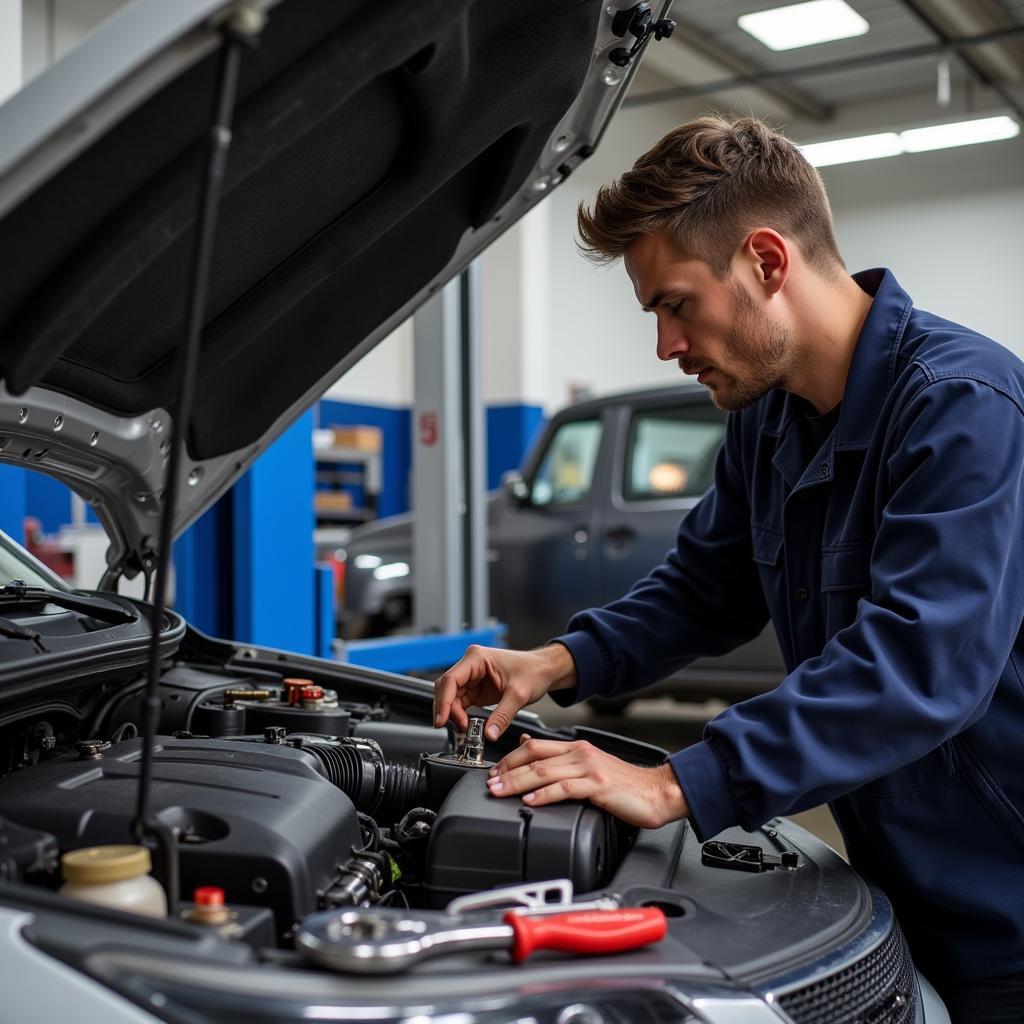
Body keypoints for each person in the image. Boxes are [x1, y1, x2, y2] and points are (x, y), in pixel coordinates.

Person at [432, 115, 1024, 1021]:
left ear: (766, 262)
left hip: (1005, 903)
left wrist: (675, 783)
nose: (666, 346)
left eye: (676, 304)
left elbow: (920, 666)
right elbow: (706, 589)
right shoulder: (768, 420)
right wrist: (553, 664)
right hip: (900, 881)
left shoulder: (962, 409)